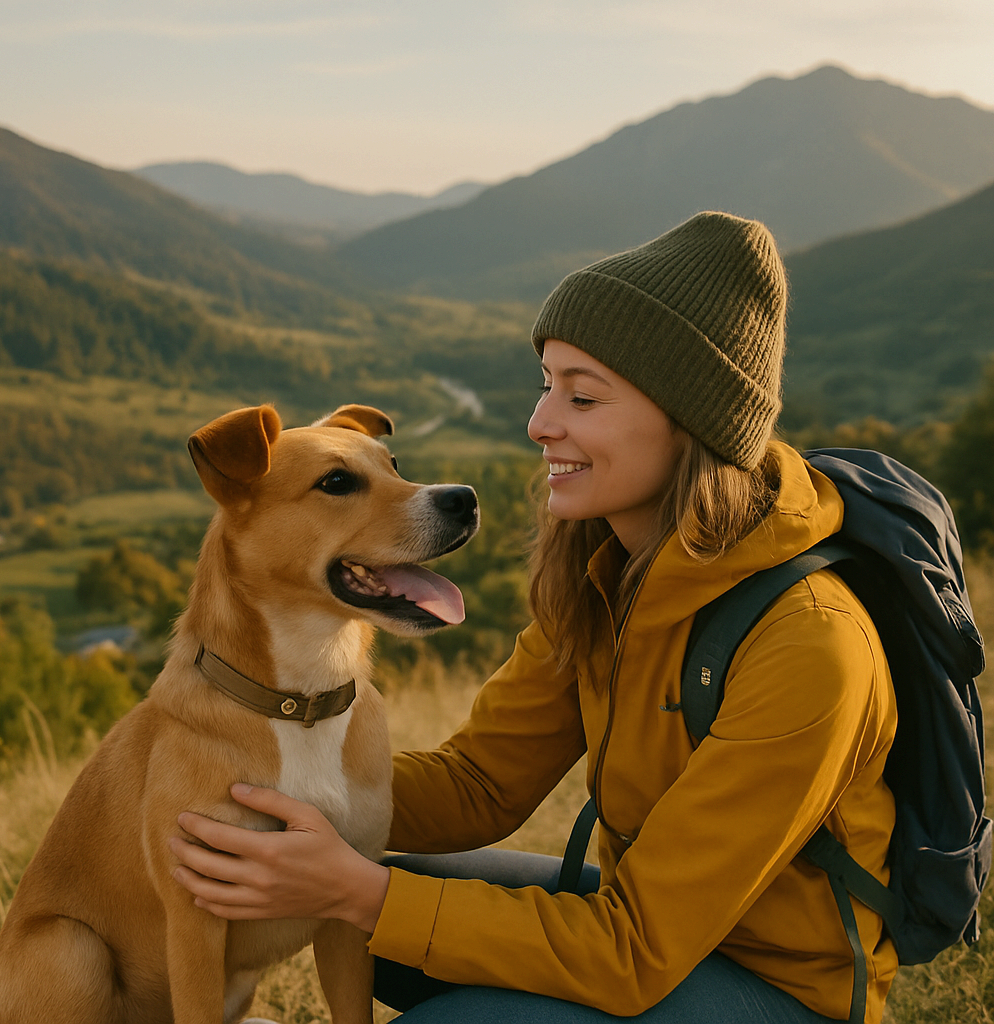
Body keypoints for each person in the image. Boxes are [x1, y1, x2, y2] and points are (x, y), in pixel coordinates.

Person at [171, 211, 898, 1023]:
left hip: (782, 991)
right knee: (383, 918)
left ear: (688, 422)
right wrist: (243, 790)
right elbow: (481, 784)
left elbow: (634, 953)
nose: (540, 423)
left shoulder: (810, 643)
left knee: (393, 939)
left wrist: (354, 887)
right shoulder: (607, 576)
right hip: (662, 933)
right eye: (547, 384)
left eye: (582, 396)